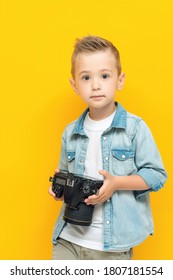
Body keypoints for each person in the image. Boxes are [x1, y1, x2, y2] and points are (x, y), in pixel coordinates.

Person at [49, 35, 167, 260]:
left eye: (104, 76)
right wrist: (59, 188)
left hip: (113, 246)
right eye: (86, 77)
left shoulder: (135, 128)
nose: (95, 85)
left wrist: (117, 184)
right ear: (74, 85)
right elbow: (64, 176)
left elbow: (156, 176)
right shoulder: (70, 132)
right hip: (69, 239)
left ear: (119, 80)